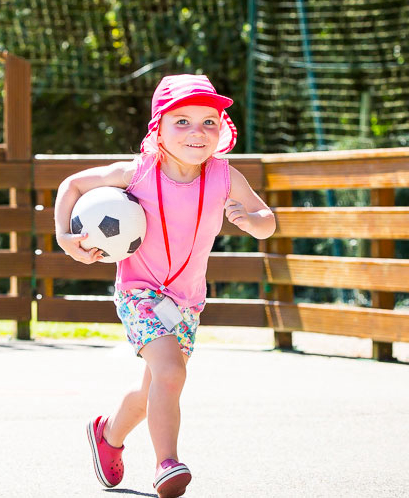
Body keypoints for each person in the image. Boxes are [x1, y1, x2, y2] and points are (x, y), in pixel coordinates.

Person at [54, 75, 276, 498]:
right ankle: (167, 464)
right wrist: (65, 237)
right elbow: (73, 185)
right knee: (171, 374)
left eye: (209, 122)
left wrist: (252, 222)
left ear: (222, 130)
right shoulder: (138, 172)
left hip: (186, 302)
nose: (197, 132)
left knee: (155, 386)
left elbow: (267, 220)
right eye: (183, 121)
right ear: (158, 128)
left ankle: (107, 435)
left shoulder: (224, 176)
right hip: (139, 291)